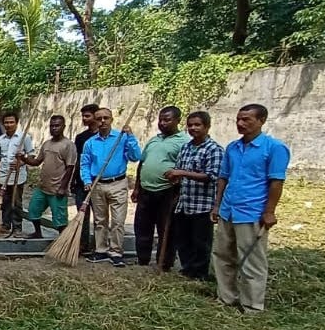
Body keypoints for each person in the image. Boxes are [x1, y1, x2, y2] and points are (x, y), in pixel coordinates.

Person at [211, 104, 289, 313]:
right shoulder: (233, 148)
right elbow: (223, 177)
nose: (240, 124)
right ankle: (226, 297)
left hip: (251, 211)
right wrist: (217, 205)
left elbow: (276, 182)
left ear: (262, 120)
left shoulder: (274, 148)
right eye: (238, 119)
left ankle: (252, 306)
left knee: (252, 261)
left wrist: (269, 211)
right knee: (222, 255)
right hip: (228, 209)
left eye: (247, 120)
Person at [80, 108, 142, 267]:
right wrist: (87, 180)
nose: (102, 122)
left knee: (118, 221)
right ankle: (101, 250)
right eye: (99, 118)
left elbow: (135, 157)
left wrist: (131, 135)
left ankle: (116, 252)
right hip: (97, 184)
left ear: (111, 119)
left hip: (118, 184)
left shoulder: (121, 138)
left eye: (105, 118)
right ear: (95, 120)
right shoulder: (90, 143)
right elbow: (85, 163)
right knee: (100, 220)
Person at [166, 111, 223, 280]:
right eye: (190, 125)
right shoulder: (186, 147)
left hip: (202, 205)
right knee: (183, 239)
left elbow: (212, 176)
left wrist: (182, 172)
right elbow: (179, 171)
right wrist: (174, 177)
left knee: (201, 242)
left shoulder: (214, 149)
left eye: (197, 125)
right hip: (184, 202)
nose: (193, 128)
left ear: (207, 126)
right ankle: (187, 269)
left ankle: (200, 274)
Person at [132, 106, 188, 268]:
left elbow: (184, 168)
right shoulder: (154, 140)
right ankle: (143, 259)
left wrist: (179, 190)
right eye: (160, 119)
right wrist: (137, 187)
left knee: (166, 229)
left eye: (167, 120)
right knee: (142, 226)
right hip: (146, 190)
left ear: (177, 121)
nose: (162, 123)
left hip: (167, 191)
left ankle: (164, 263)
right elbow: (142, 163)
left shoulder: (183, 142)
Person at [21, 114, 77, 238]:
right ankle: (37, 233)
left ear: (63, 127)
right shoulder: (46, 144)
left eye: (57, 126)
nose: (54, 128)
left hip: (57, 189)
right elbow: (36, 162)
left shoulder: (68, 145)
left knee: (59, 218)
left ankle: (63, 240)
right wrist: (23, 158)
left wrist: (63, 187)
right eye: (52, 126)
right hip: (42, 187)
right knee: (33, 210)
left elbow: (70, 168)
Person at [0, 112, 33, 236]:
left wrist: (22, 161)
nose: (8, 125)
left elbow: (31, 155)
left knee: (16, 202)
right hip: (4, 174)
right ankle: (6, 224)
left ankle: (17, 227)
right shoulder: (0, 140)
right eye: (6, 122)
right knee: (4, 202)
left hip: (17, 176)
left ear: (16, 122)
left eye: (11, 122)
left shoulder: (24, 138)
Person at [73, 103, 100, 253]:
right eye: (83, 116)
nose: (84, 119)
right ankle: (82, 244)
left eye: (87, 116)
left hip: (98, 181)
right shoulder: (81, 137)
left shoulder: (103, 137)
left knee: (99, 216)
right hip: (81, 181)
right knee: (82, 214)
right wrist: (74, 180)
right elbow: (78, 160)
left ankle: (98, 245)